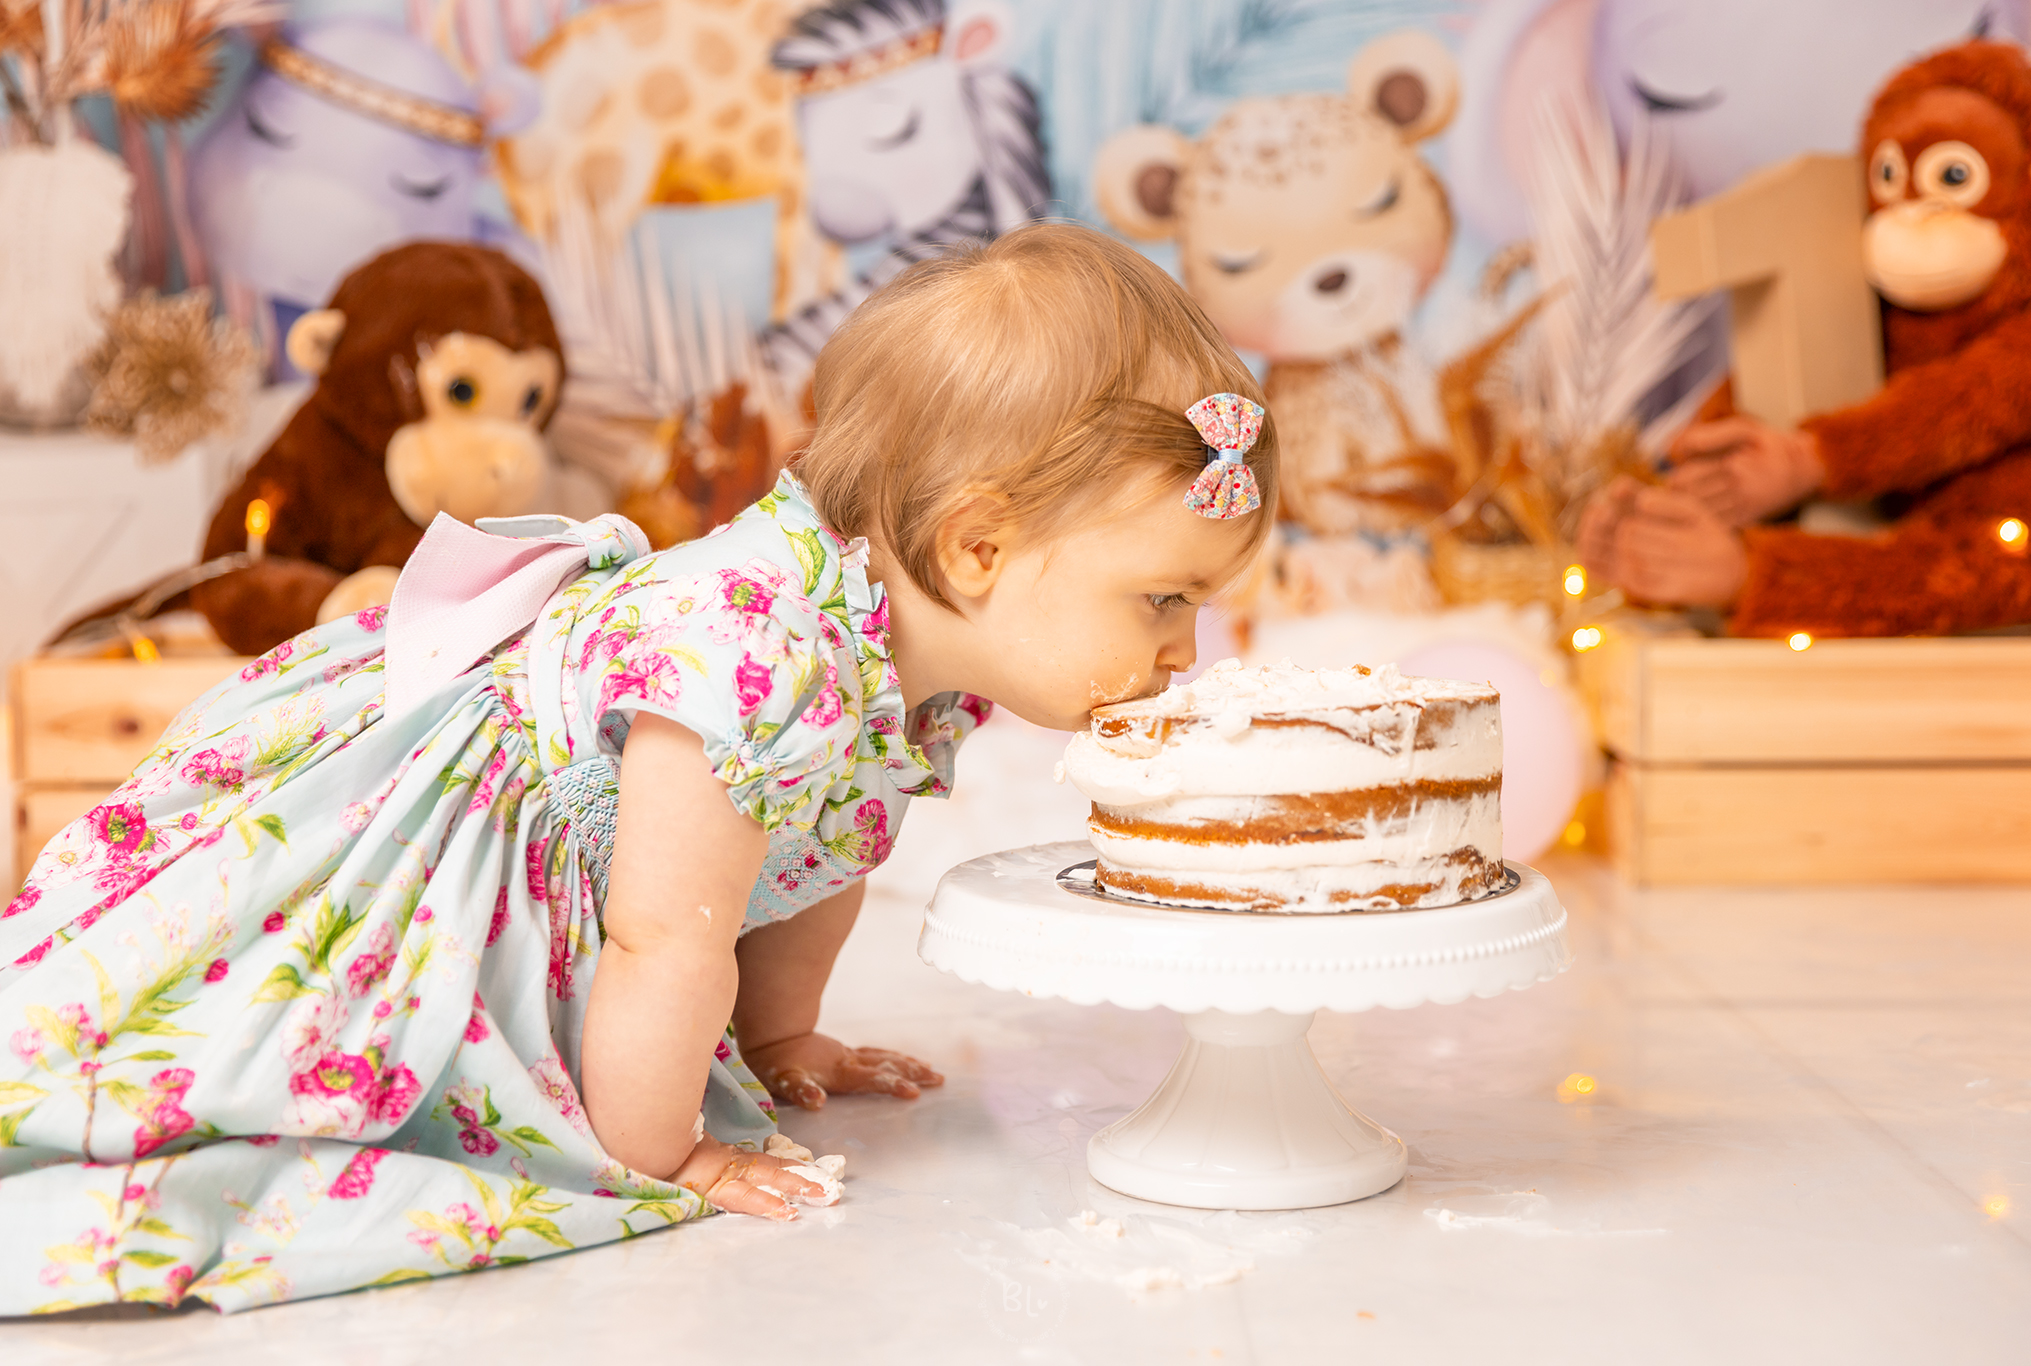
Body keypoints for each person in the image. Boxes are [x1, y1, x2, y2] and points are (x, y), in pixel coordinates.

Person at [0, 223, 1278, 1313]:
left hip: (606, 882)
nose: (1182, 649)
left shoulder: (893, 666)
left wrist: (780, 1039)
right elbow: (666, 931)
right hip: (414, 831)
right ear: (979, 546)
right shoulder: (756, 658)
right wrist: (670, 1150)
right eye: (1162, 597)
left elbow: (814, 850)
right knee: (238, 1044)